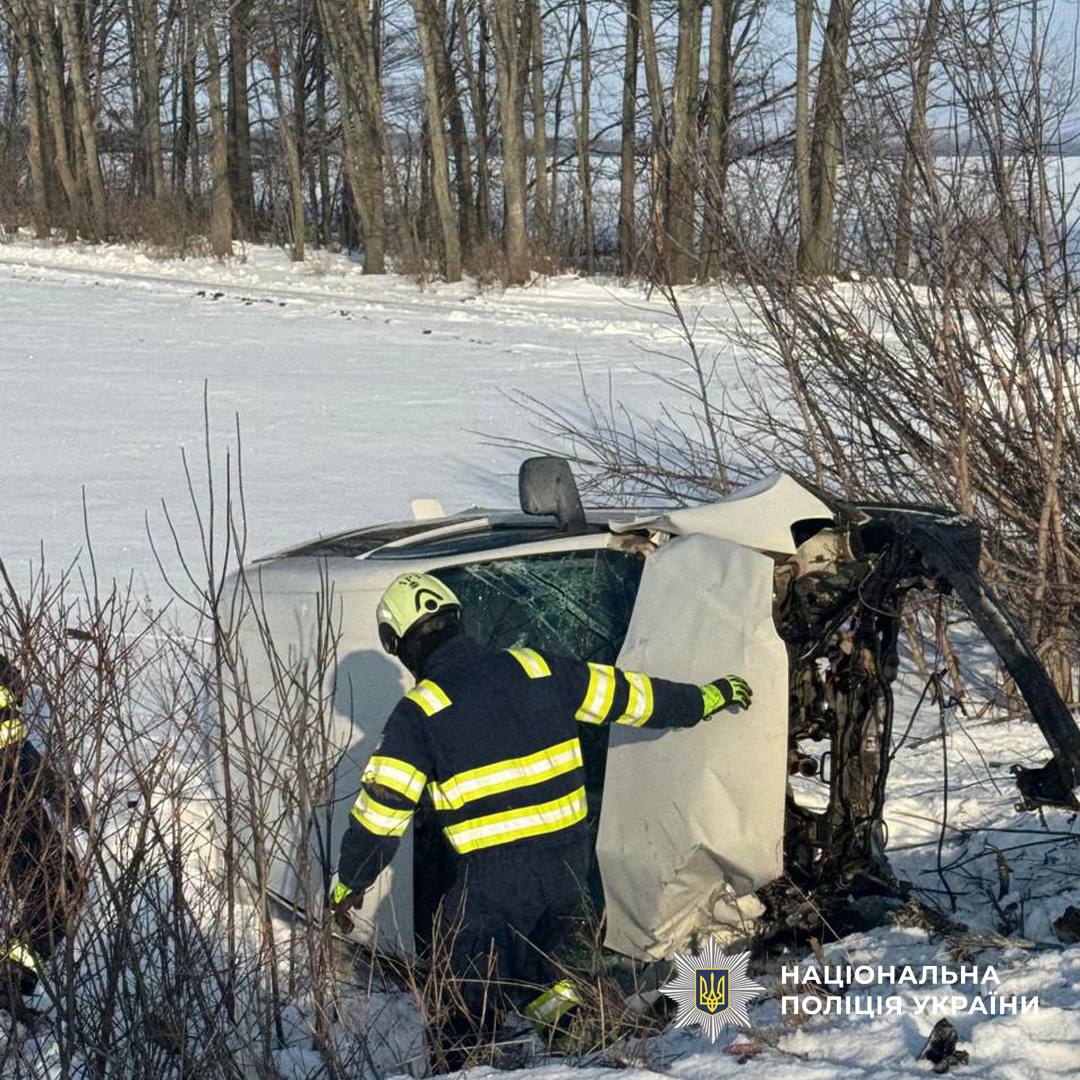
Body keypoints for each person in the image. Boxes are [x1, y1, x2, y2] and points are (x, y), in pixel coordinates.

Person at [331, 572, 753, 1056]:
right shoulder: (536, 667)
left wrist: (351, 880)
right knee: (532, 967)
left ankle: (466, 1064)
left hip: (493, 884)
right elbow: (631, 697)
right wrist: (705, 699)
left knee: (461, 990)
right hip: (569, 873)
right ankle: (580, 1039)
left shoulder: (419, 710)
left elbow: (380, 815)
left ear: (398, 644)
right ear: (456, 617)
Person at [0, 653, 87, 1020]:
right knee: (55, 891)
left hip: (19, 802)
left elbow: (15, 745)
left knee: (66, 887)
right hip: (8, 810)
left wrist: (59, 794)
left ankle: (11, 979)